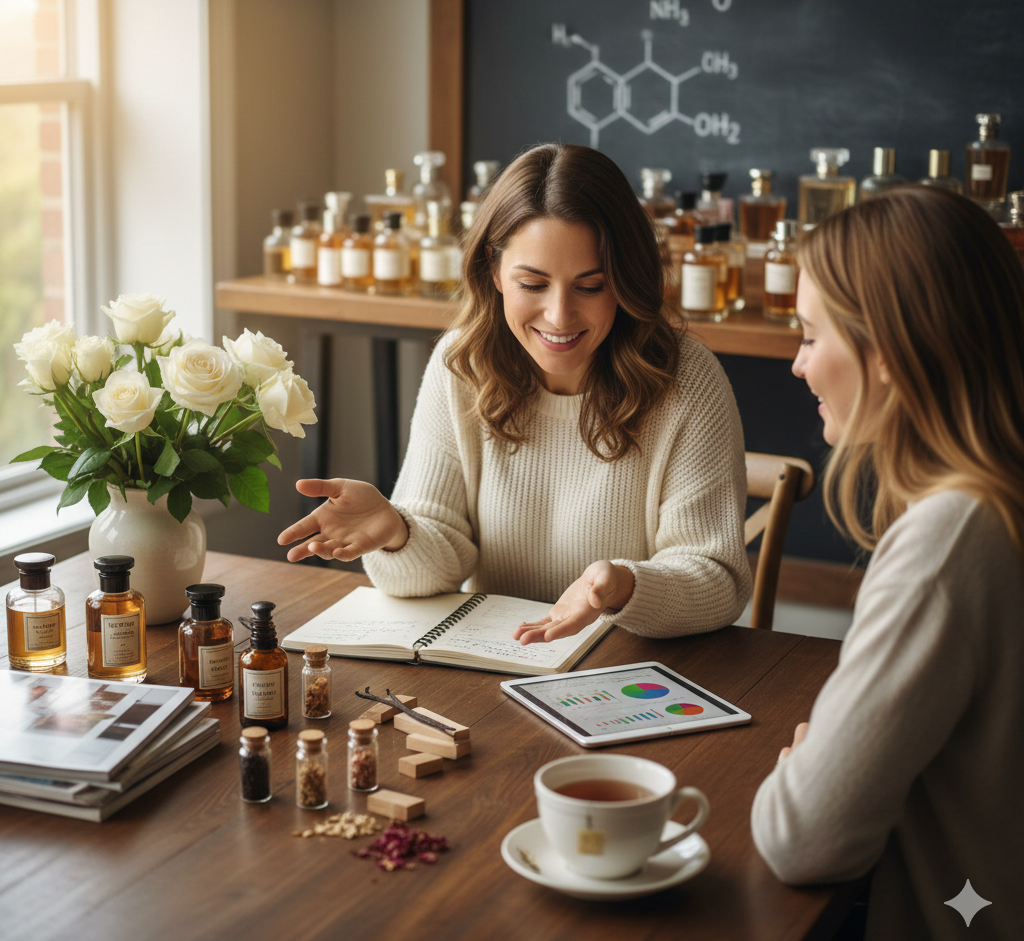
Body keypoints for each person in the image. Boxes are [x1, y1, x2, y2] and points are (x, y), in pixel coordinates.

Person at [278, 143, 750, 641]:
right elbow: (434, 568)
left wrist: (627, 586)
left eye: (591, 286)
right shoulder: (462, 364)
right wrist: (397, 533)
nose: (560, 316)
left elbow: (718, 580)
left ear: (626, 280)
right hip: (499, 666)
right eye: (533, 284)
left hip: (630, 668)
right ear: (495, 270)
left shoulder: (687, 380)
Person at [751, 185, 1024, 941]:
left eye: (809, 334)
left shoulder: (949, 540)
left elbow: (800, 836)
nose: (799, 364)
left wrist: (807, 763)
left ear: (888, 352)